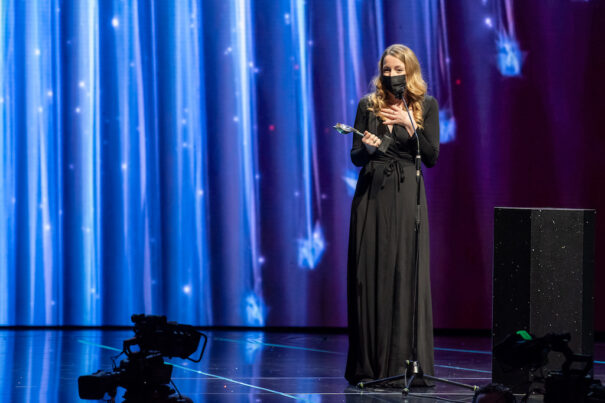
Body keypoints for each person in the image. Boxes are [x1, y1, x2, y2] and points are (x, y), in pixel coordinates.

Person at [345, 44, 440, 387]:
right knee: (367, 275)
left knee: (405, 273)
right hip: (372, 194)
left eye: (397, 69)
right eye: (386, 70)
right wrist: (368, 146)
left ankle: (404, 361)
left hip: (407, 196)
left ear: (410, 70)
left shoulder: (425, 106)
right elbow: (356, 156)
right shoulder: (367, 106)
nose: (390, 75)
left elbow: (430, 157)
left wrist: (411, 125)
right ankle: (368, 365)